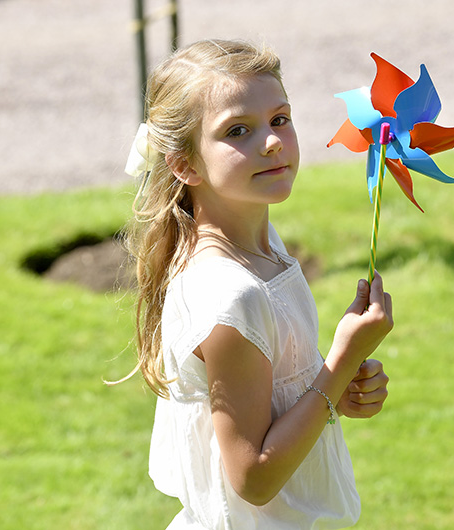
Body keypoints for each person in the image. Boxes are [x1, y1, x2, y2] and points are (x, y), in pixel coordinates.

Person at [121, 39, 394, 529]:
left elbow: (274, 404)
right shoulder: (232, 295)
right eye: (238, 130)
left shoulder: (264, 244)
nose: (270, 142)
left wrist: (336, 391)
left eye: (280, 120)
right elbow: (253, 477)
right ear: (184, 164)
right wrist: (339, 365)